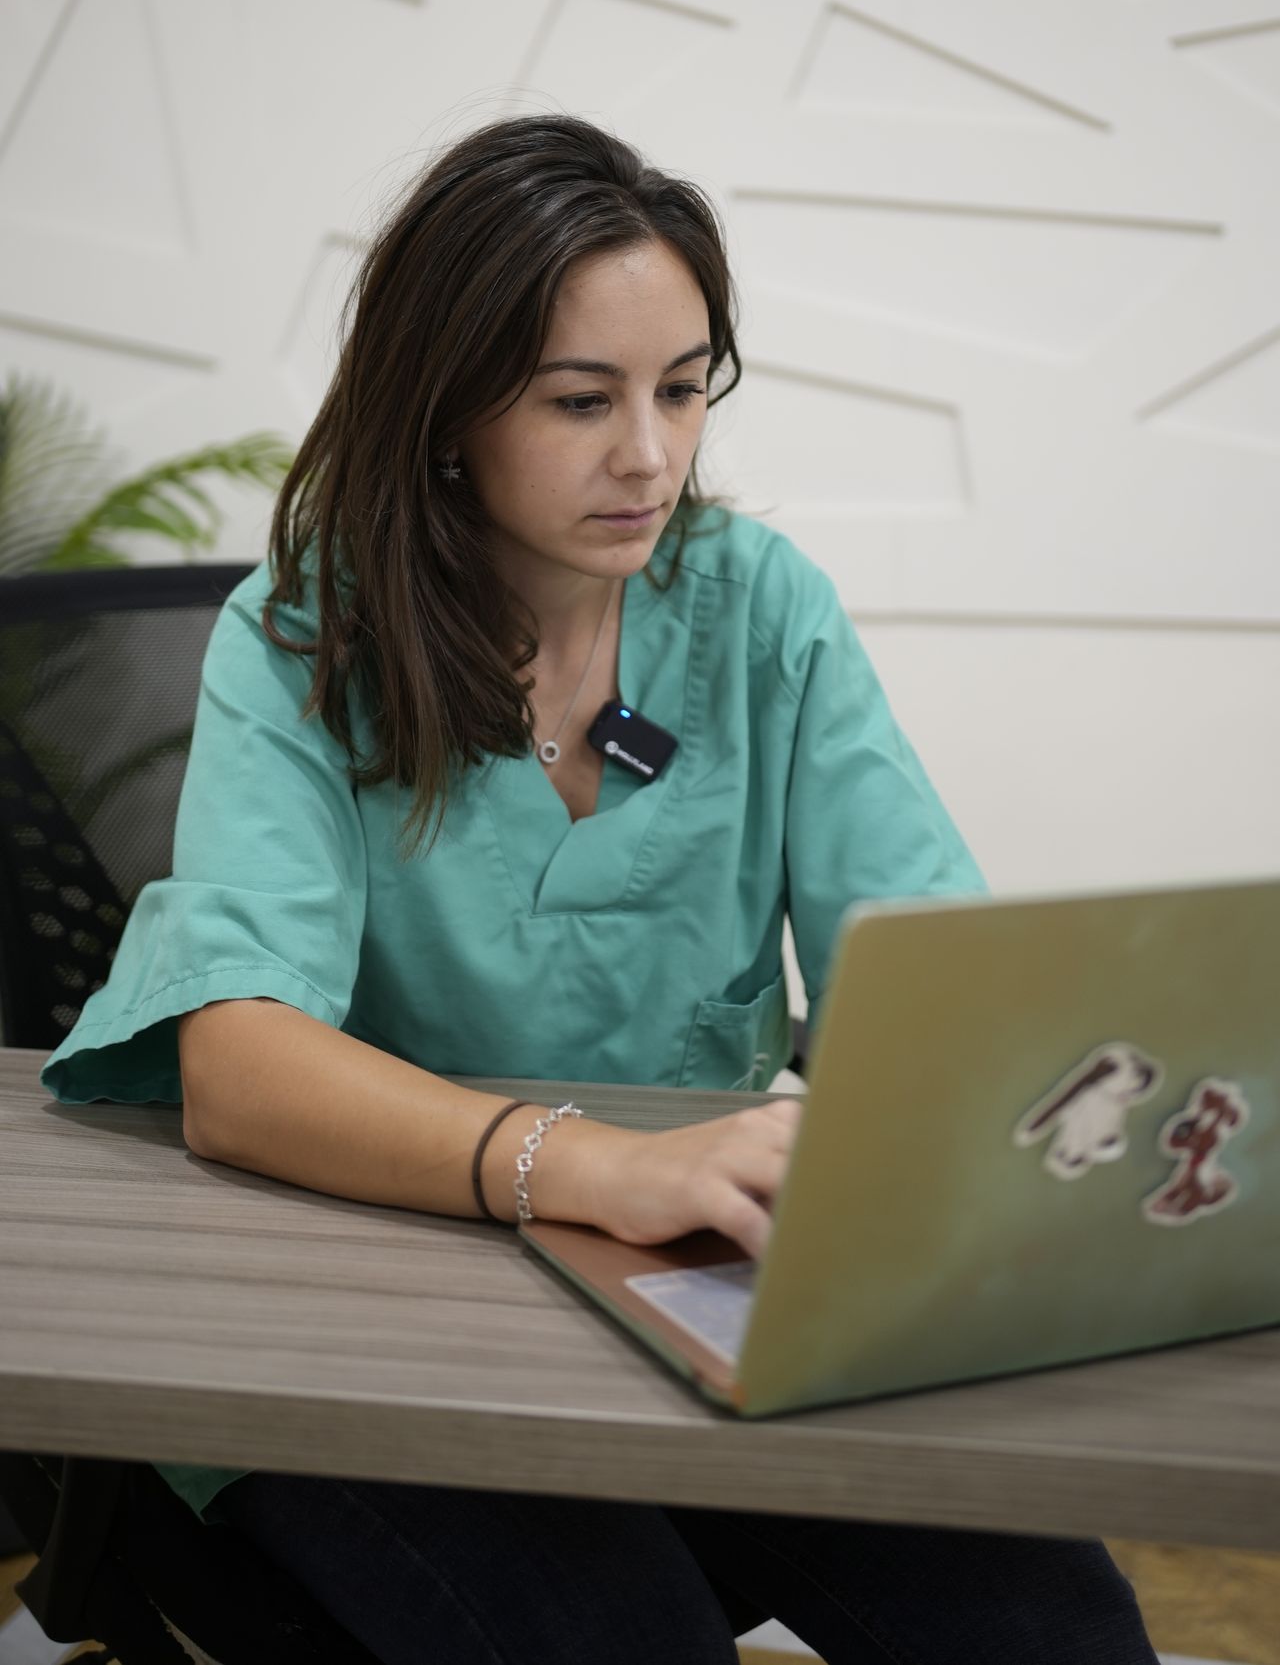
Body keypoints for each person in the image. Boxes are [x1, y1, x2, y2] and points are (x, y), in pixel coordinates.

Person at [41, 116, 1157, 1663]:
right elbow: (237, 1066)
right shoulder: (301, 639)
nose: (651, 452)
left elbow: (928, 982)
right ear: (448, 407)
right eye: (583, 399)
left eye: (685, 387)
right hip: (360, 1334)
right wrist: (583, 1164)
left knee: (1058, 1632)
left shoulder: (760, 607)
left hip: (680, 1297)